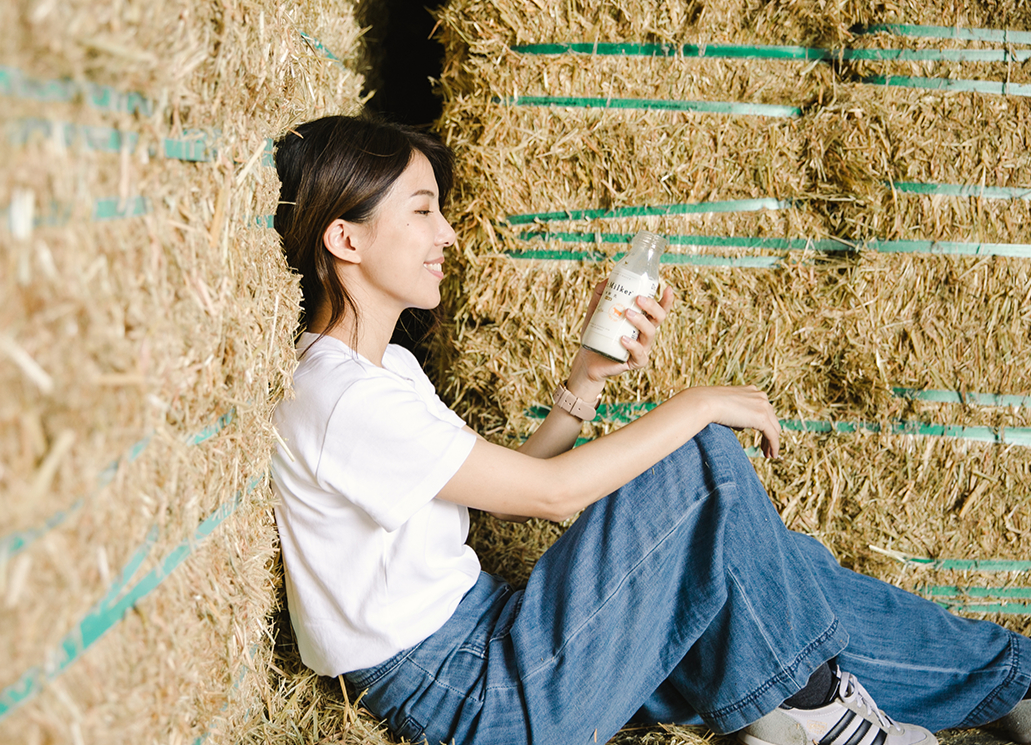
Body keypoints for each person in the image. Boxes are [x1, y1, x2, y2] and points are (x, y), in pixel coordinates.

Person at [268, 113, 1031, 745]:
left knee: (769, 565)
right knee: (699, 466)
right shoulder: (339, 399)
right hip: (480, 698)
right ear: (346, 238)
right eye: (423, 208)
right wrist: (697, 404)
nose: (450, 234)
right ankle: (813, 715)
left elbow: (491, 496)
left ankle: (1006, 682)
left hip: (500, 644)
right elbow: (547, 493)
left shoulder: (383, 374)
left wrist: (587, 375)